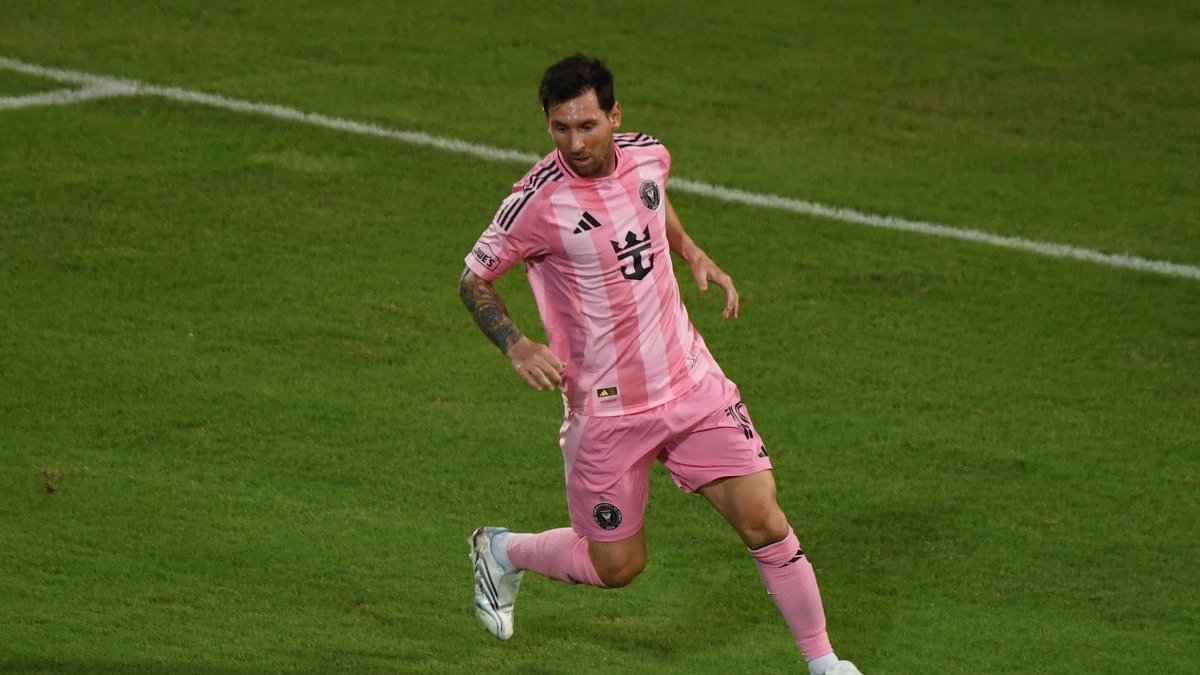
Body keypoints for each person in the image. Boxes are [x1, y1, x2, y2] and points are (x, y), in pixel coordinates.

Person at [459, 54, 862, 675]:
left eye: (588, 125)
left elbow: (652, 202)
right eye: (560, 129)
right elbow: (474, 281)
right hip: (607, 413)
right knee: (617, 567)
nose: (576, 142)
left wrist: (692, 249)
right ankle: (503, 550)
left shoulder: (649, 155)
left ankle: (824, 662)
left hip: (690, 384)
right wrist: (516, 343)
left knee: (764, 520)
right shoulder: (537, 204)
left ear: (614, 116)